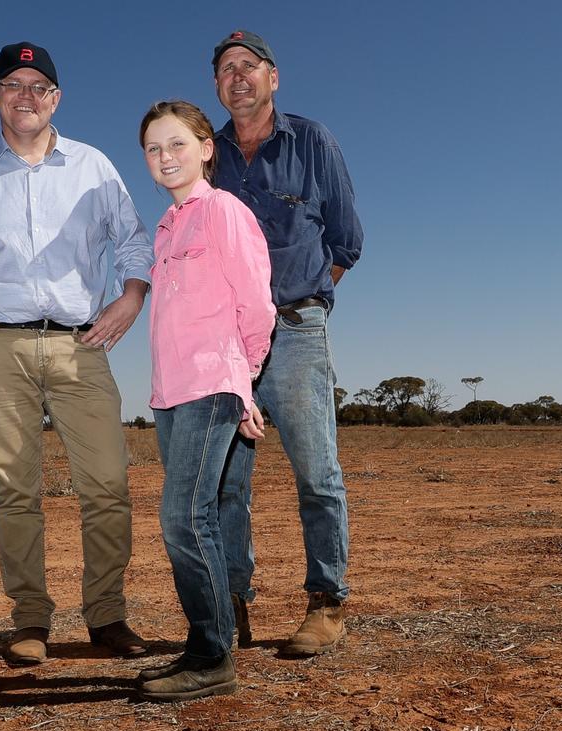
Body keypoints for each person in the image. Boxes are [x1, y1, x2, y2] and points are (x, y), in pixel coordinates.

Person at [0, 42, 154, 667]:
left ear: (56, 99)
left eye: (39, 86)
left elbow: (131, 240)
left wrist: (131, 297)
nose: (26, 96)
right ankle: (31, 620)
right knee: (15, 489)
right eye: (13, 84)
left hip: (81, 345)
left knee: (108, 484)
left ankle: (107, 615)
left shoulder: (93, 166)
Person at [210, 30, 363, 656]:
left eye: (250, 65)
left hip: (296, 329)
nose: (238, 76)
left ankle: (326, 604)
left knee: (317, 473)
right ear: (216, 86)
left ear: (274, 77)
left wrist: (300, 304)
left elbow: (346, 240)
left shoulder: (313, 141)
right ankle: (234, 606)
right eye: (225, 69)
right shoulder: (206, 152)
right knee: (225, 480)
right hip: (222, 339)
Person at [135, 102, 274, 701]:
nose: (165, 158)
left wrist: (243, 381)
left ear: (205, 148)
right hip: (171, 393)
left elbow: (257, 305)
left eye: (177, 145)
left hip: (212, 384)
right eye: (153, 149)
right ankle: (203, 644)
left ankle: (215, 655)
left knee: (183, 518)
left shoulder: (223, 211)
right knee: (200, 516)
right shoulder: (167, 228)